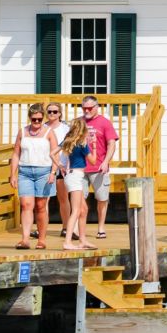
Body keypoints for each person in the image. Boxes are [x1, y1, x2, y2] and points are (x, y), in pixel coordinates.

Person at [9, 103, 59, 250]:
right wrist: (13, 174)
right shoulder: (22, 132)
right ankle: (25, 239)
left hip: (44, 171)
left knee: (41, 206)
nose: (36, 122)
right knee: (26, 205)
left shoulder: (49, 132)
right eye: (34, 119)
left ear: (42, 118)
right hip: (25, 172)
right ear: (30, 118)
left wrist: (53, 172)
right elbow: (16, 153)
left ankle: (42, 239)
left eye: (39, 119)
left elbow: (56, 153)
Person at [80, 95, 118, 240]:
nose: (87, 110)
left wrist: (106, 161)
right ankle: (80, 229)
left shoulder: (104, 122)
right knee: (79, 199)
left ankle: (101, 227)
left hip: (99, 166)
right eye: (84, 108)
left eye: (90, 108)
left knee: (102, 198)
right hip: (80, 168)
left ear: (97, 107)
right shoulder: (79, 122)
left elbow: (111, 144)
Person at [59, 118, 96, 251]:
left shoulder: (68, 141)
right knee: (75, 211)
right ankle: (67, 242)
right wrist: (94, 146)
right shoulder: (82, 143)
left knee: (83, 209)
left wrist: (60, 165)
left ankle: (82, 240)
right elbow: (93, 161)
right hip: (75, 177)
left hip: (73, 175)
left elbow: (52, 153)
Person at [43, 102, 70, 236]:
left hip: (62, 166)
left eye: (55, 111)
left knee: (63, 198)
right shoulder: (42, 127)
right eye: (49, 112)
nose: (52, 114)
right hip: (46, 166)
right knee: (44, 199)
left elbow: (70, 147)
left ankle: (66, 227)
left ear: (60, 113)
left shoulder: (66, 128)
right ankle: (42, 229)